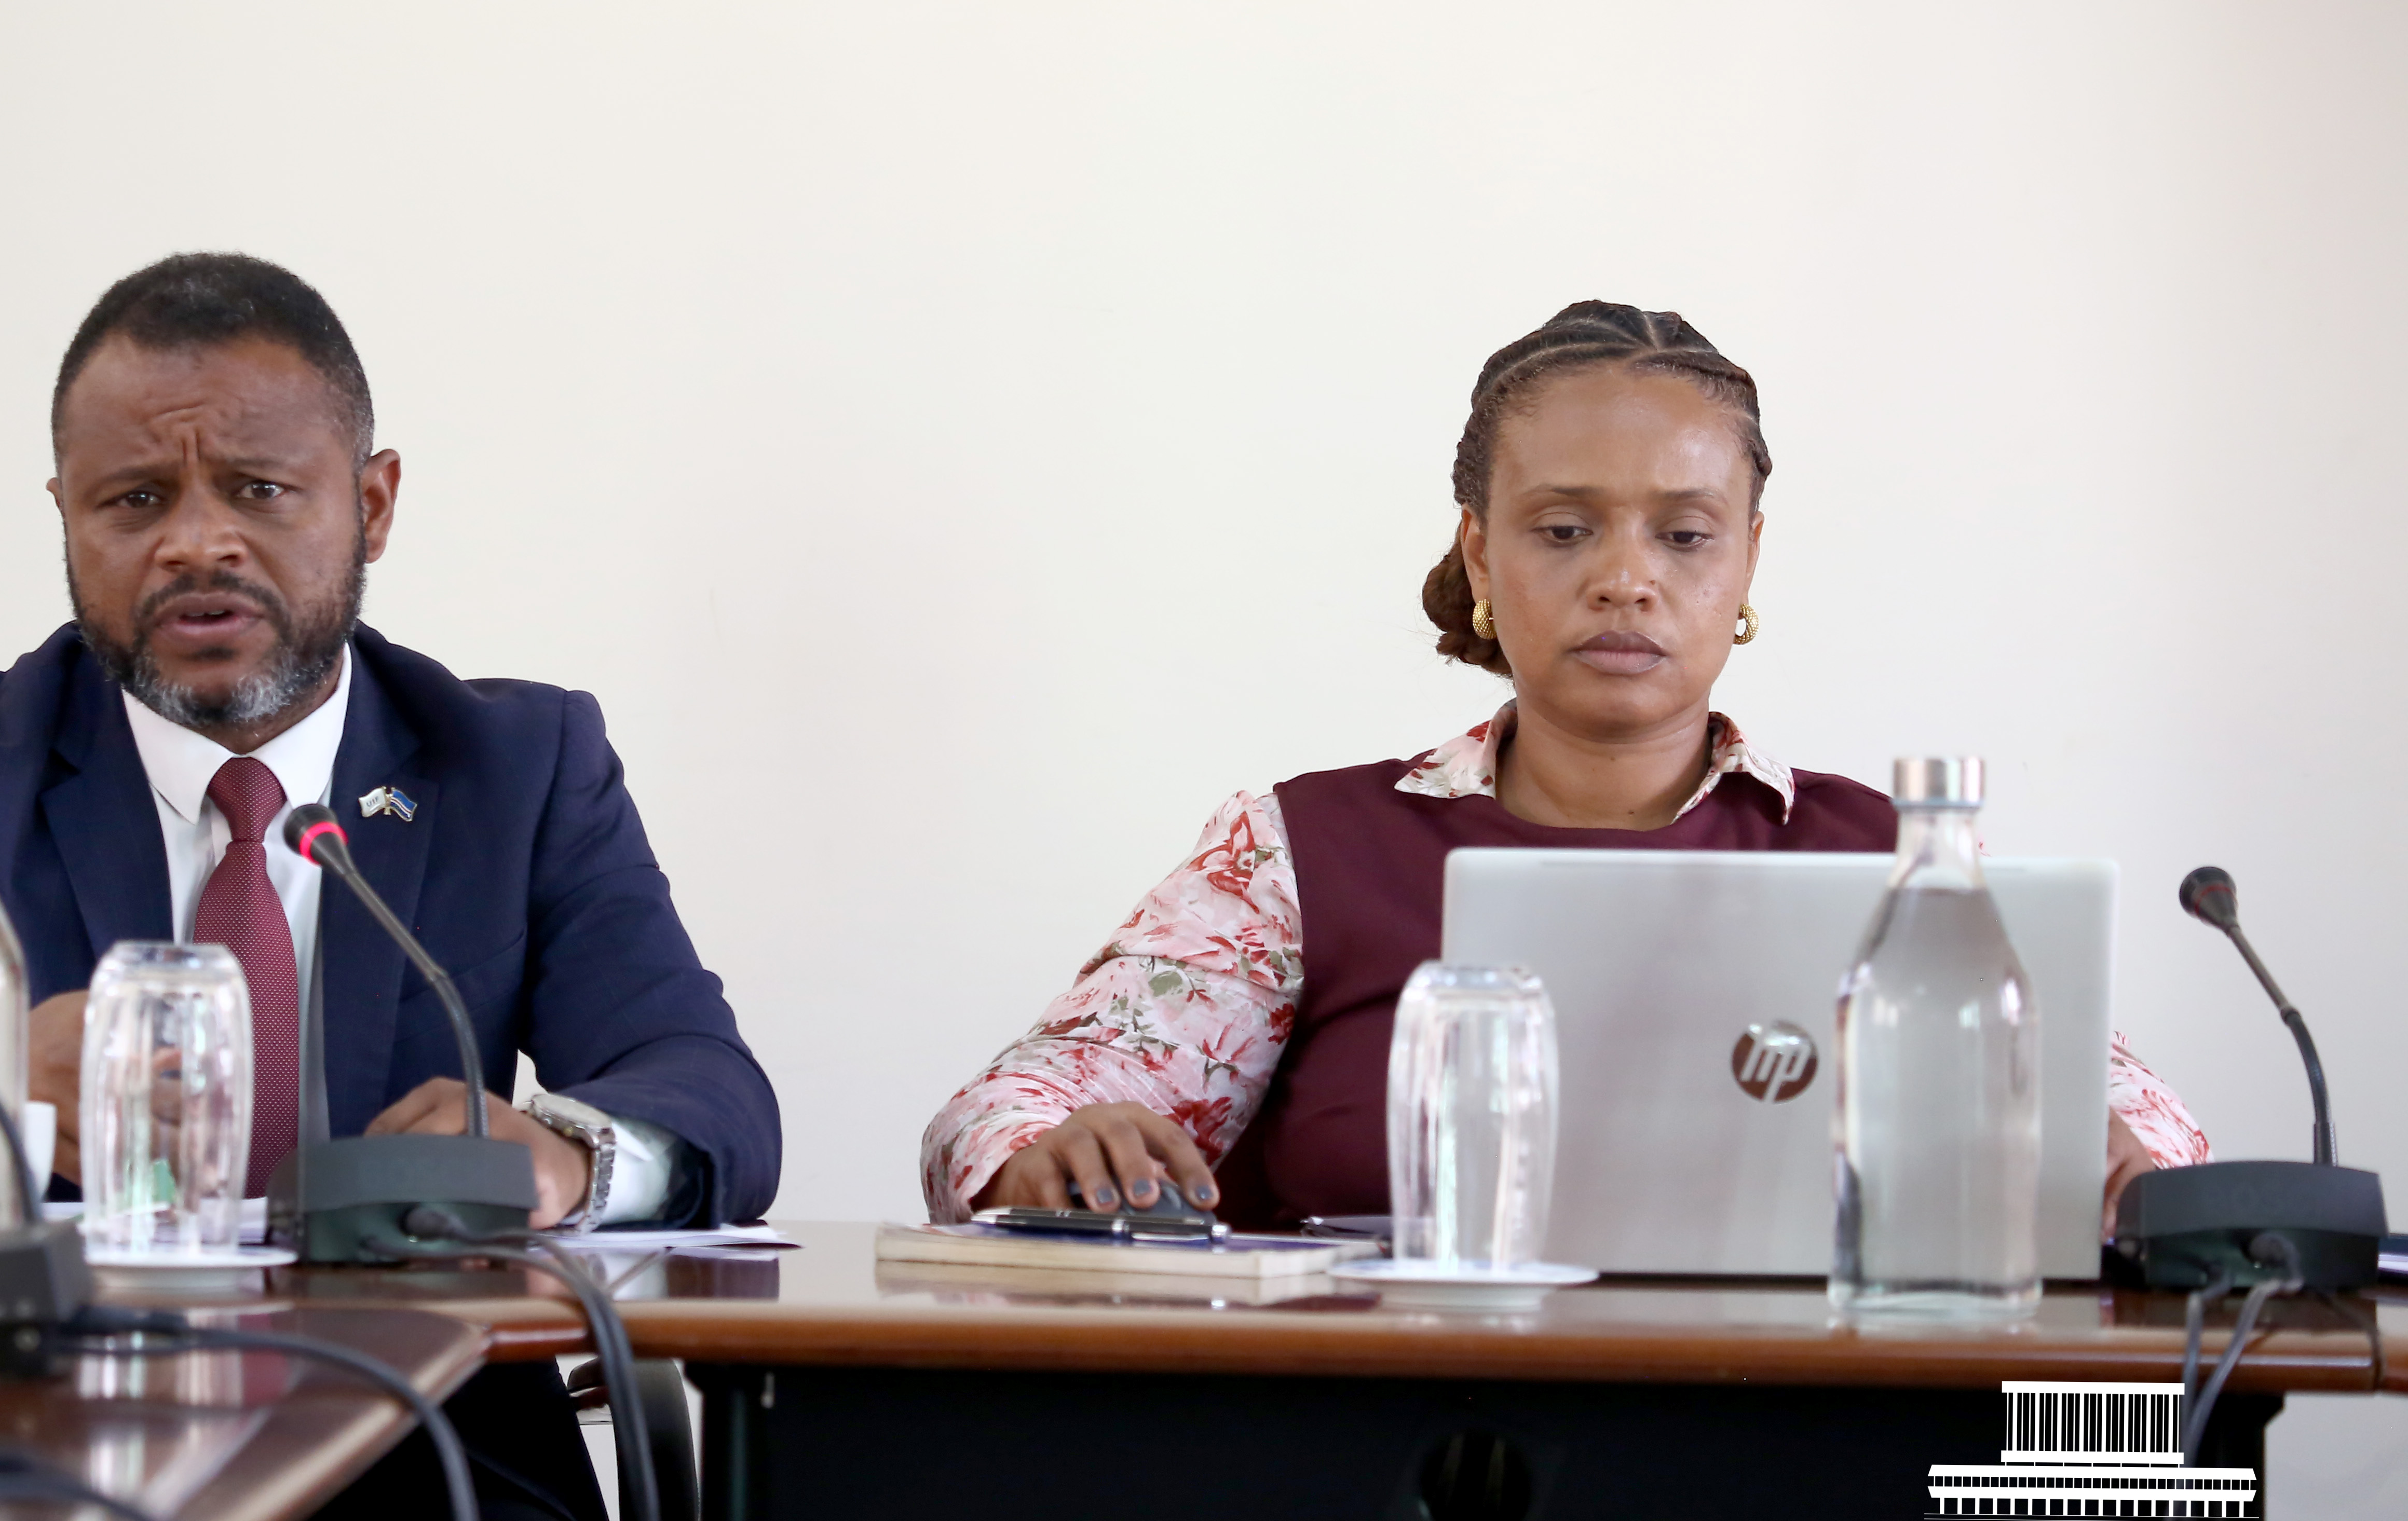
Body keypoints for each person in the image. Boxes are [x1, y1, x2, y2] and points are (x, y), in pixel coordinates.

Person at [0, 252, 780, 1521]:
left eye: (260, 490)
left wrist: (561, 1155)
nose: (195, 544)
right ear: (66, 518)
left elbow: (710, 1093)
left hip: (420, 1441)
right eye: (133, 501)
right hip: (25, 1430)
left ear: (374, 503)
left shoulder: (517, 765)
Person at [922, 299, 2203, 1233]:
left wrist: (2110, 1160)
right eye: (1564, 529)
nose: (1625, 578)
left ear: (1748, 560)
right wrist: (1057, 1147)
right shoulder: (1297, 851)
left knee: (2106, 1480)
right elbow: (1000, 1114)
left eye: (1685, 535)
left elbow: (2162, 1148)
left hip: (1806, 1448)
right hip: (1374, 1451)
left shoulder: (1896, 859)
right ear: (1482, 554)